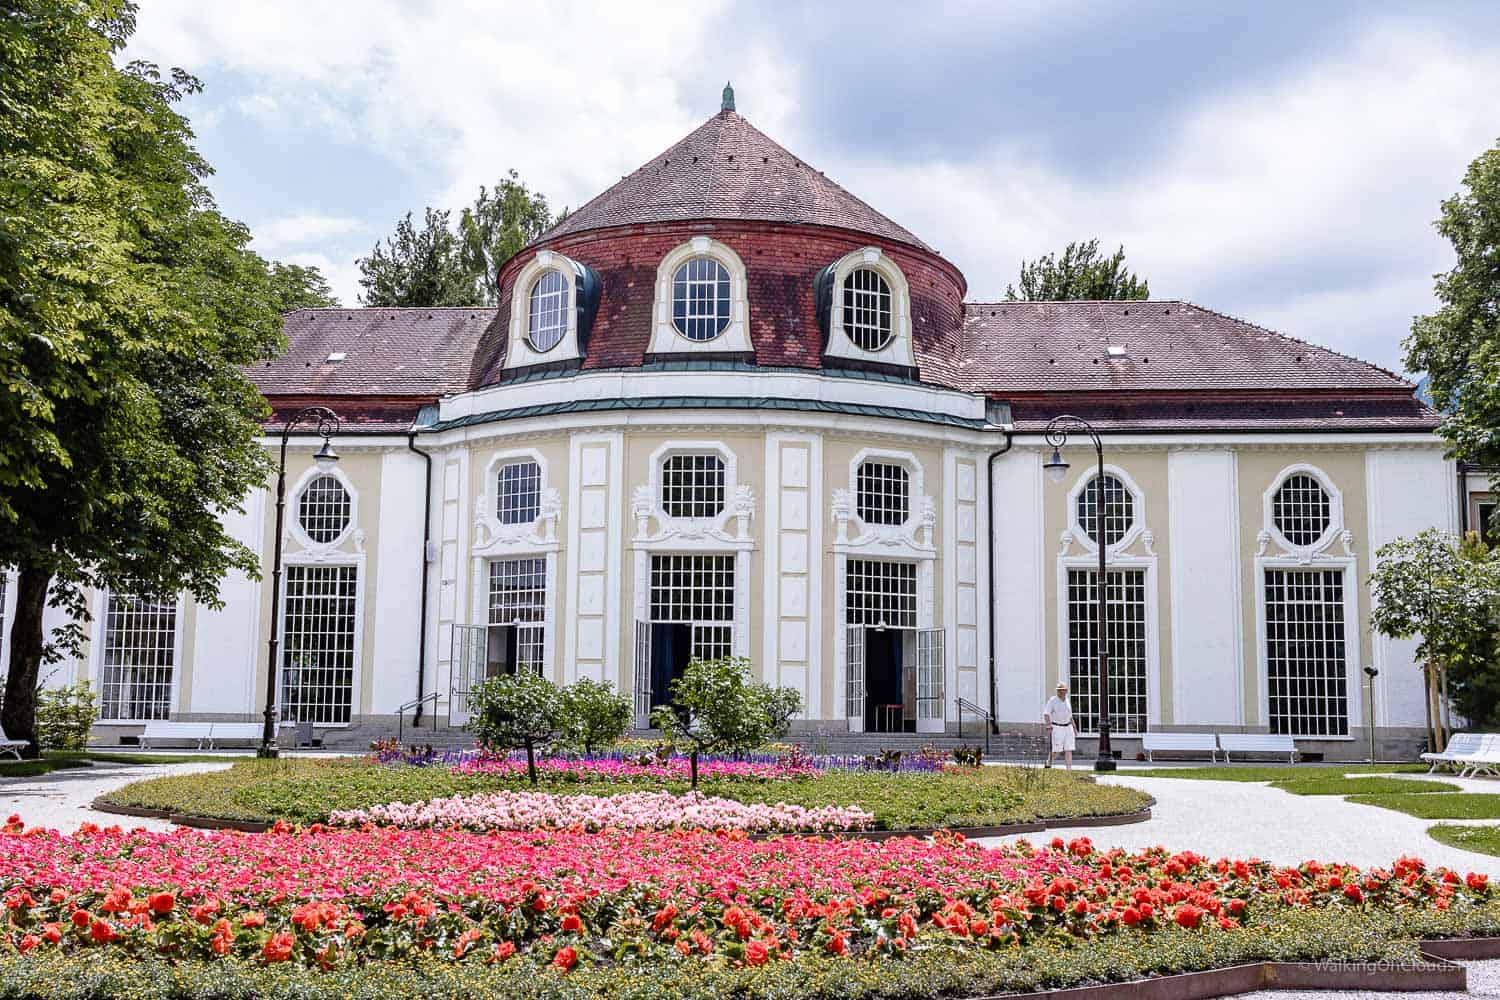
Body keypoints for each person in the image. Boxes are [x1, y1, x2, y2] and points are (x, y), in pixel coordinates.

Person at [1043, 682, 1077, 770]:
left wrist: (1074, 727)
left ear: (1066, 691)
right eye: (1059, 690)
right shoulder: (1053, 700)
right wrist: (1048, 725)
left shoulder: (1067, 700)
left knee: (1069, 749)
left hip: (1068, 727)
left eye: (1062, 690)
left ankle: (1069, 770)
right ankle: (1048, 763)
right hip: (1057, 727)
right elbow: (1046, 713)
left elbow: (1070, 716)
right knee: (1056, 750)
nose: (1060, 692)